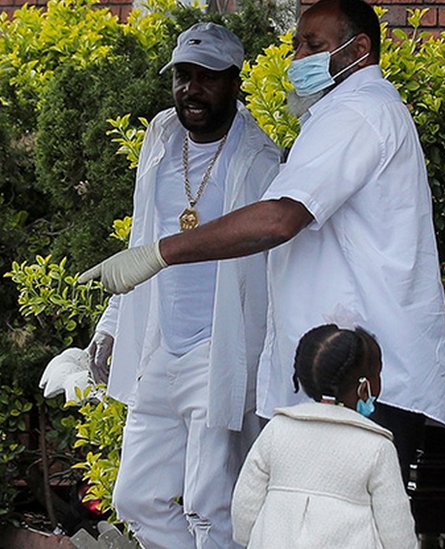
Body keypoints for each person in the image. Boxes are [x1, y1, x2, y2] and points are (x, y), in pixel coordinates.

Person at [79, 0, 445, 477]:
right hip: (337, 369)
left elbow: (280, 219)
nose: (298, 58)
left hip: (360, 373)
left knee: (337, 511)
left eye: (313, 46)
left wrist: (161, 253)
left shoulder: (357, 114)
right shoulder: (341, 114)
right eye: (297, 45)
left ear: (359, 48)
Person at [82, 22, 280, 549]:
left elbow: (270, 262)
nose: (191, 89)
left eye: (206, 77)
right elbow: (143, 237)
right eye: (182, 76)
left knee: (209, 506)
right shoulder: (162, 136)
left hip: (219, 348)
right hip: (160, 344)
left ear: (235, 81)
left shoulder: (258, 158)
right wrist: (113, 323)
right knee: (135, 498)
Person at [231, 324, 417, 549]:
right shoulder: (377, 447)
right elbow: (397, 534)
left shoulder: (277, 429)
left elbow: (244, 511)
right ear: (364, 387)